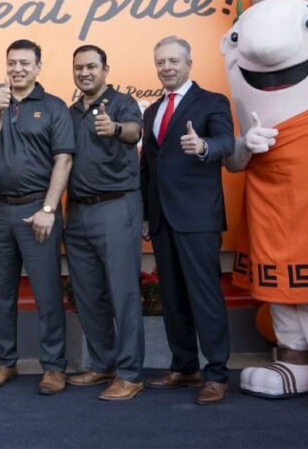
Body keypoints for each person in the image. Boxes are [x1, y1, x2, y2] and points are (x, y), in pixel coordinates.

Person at [140, 35, 235, 405]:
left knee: (204, 296)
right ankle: (184, 366)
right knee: (172, 295)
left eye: (173, 61)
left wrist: (205, 146)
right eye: (160, 62)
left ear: (189, 64)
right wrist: (146, 215)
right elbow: (147, 167)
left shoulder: (212, 101)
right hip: (162, 218)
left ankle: (217, 374)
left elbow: (227, 141)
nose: (166, 67)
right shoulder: (152, 111)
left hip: (198, 217)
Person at [0, 39, 74, 396]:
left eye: (24, 63)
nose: (17, 69)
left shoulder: (53, 107)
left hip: (38, 210)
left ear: (38, 67)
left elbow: (63, 160)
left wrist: (49, 209)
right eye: (12, 63)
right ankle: (5, 362)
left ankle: (54, 367)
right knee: (2, 291)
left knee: (47, 293)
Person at [63, 45, 145, 401]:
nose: (84, 73)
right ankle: (103, 364)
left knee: (123, 293)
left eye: (91, 67)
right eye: (79, 68)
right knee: (88, 292)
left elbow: (134, 131)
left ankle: (129, 374)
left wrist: (114, 128)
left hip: (116, 206)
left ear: (105, 70)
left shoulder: (122, 103)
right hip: (78, 210)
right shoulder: (69, 113)